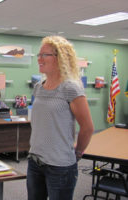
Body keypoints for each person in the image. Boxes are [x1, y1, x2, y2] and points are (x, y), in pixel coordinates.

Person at [27, 36, 94, 200]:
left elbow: (87, 128)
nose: (39, 59)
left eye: (45, 55)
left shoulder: (70, 88)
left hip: (60, 166)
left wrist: (77, 152)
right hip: (35, 162)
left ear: (60, 58)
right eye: (39, 54)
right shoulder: (38, 88)